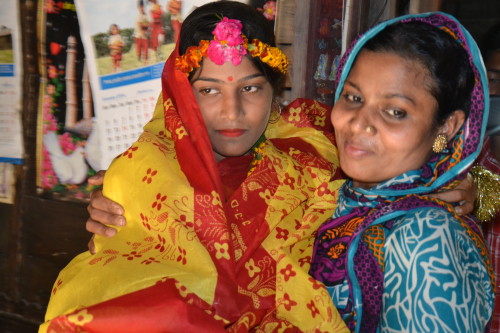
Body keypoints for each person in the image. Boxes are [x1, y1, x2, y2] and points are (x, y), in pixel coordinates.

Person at [40, 2, 349, 332]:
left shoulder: (312, 159)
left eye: (250, 88)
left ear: (275, 89)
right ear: (182, 93)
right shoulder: (143, 172)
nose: (232, 111)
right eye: (209, 90)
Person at [309, 12, 495, 332]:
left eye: (395, 112)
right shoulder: (336, 195)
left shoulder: (426, 234)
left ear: (447, 126)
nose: (357, 123)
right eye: (353, 97)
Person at [134, 0, 150, 66]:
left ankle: (145, 63)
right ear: (138, 8)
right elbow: (139, 25)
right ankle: (139, 56)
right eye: (140, 7)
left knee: (145, 49)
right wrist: (143, 27)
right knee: (139, 51)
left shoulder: (146, 15)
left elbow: (147, 24)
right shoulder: (138, 16)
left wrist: (145, 26)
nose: (142, 8)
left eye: (143, 7)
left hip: (144, 36)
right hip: (138, 36)